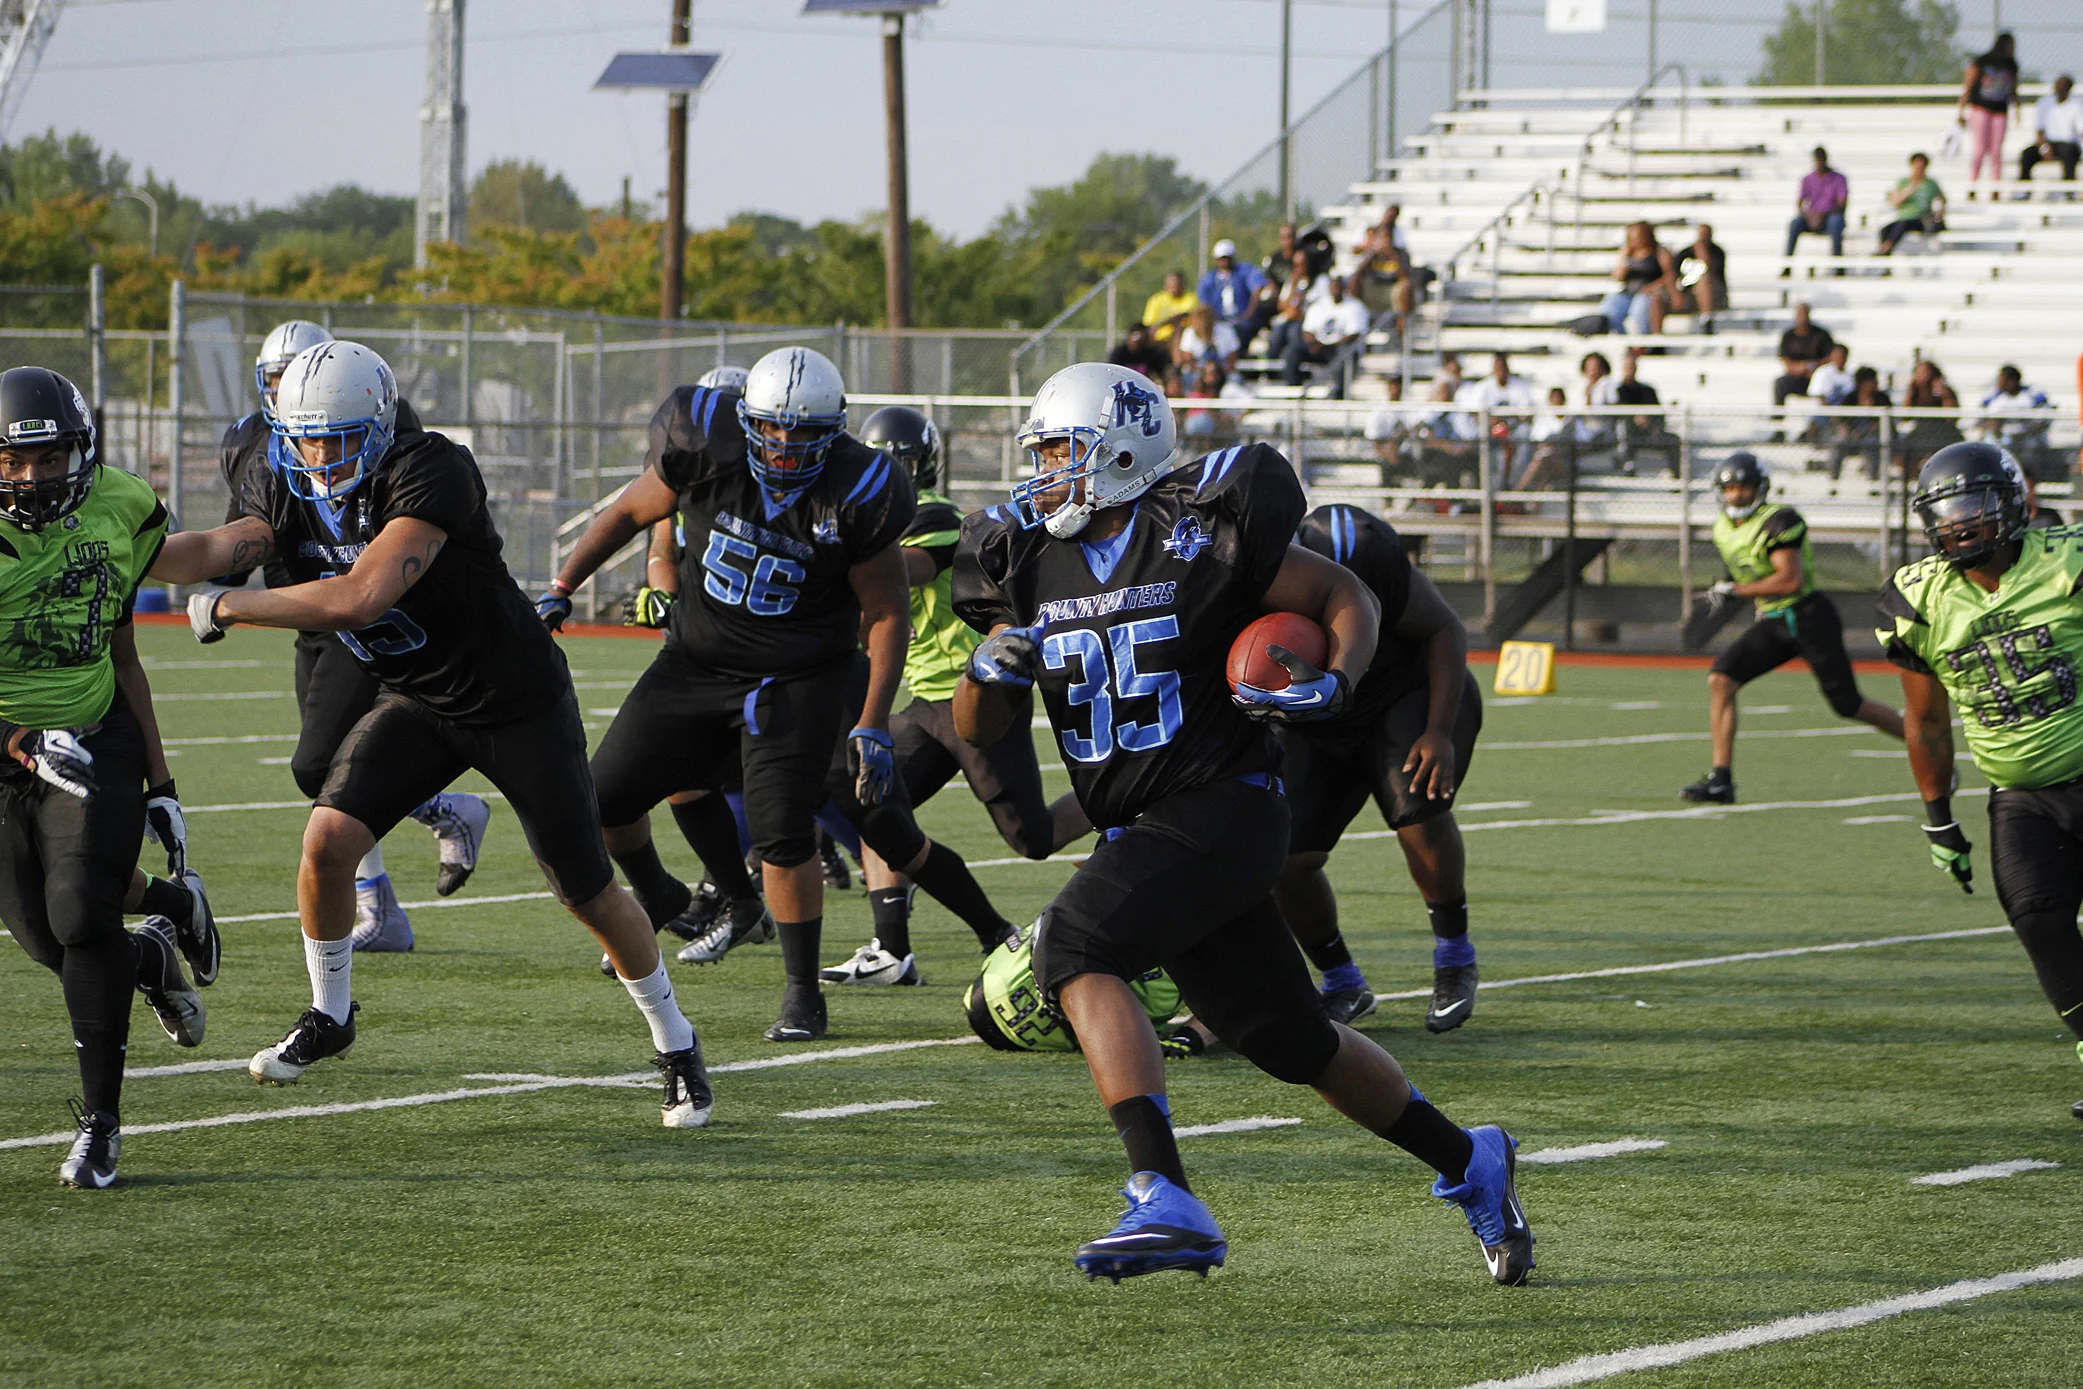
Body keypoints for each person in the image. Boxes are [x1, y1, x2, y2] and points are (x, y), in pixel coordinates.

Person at [953, 361, 1535, 1284]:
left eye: (1064, 450)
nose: (1046, 471)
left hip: (1227, 802)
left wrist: (1334, 681)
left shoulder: (1195, 535)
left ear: (1120, 451)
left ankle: (1163, 1191)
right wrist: (984, 677)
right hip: (1144, 824)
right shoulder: (1023, 560)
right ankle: (1472, 1161)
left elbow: (1349, 596)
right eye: (1043, 453)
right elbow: (974, 727)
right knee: (1288, 1038)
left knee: (1073, 945)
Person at [157, 342, 714, 1129]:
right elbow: (219, 548)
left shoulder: (429, 469)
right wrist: (128, 552)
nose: (322, 453)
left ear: (380, 427)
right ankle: (331, 1013)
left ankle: (677, 1043)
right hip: (417, 698)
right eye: (307, 436)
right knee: (325, 841)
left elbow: (360, 595)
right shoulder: (280, 474)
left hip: (515, 702)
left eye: (341, 435)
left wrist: (229, 607)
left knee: (583, 887)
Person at [544, 349, 1006, 1040]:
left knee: (784, 833)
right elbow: (625, 514)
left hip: (796, 678)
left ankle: (801, 993)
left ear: (835, 430)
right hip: (695, 662)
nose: (786, 445)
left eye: (804, 432)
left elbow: (885, 614)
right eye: (772, 429)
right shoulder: (706, 448)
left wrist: (872, 721)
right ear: (746, 422)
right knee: (601, 798)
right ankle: (670, 894)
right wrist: (560, 587)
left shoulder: (859, 486)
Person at [0, 365, 214, 1188]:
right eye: (14, 463)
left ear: (79, 456)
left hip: (92, 734)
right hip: (15, 749)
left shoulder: (117, 505)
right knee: (43, 937)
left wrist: (159, 781)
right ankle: (160, 932)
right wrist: (18, 739)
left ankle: (102, 1125)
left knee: (79, 912)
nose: (32, 477)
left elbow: (126, 646)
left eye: (49, 458)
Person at [217, 318, 491, 953]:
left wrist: (235, 604)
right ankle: (412, 861)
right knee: (321, 773)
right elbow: (241, 539)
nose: (291, 391)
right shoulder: (251, 441)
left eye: (299, 375)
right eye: (277, 379)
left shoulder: (390, 426)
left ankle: (392, 889)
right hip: (305, 612)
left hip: (368, 611)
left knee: (327, 765)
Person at [820, 405, 1089, 986]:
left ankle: (1122, 796)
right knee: (873, 803)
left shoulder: (934, 515)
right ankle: (892, 950)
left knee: (1032, 839)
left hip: (980, 697)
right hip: (922, 703)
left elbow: (908, 570)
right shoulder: (872, 523)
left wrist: (828, 550)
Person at [1875, 441, 2083, 1124]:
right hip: (2020, 795)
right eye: (1945, 513)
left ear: (2011, 502)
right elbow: (1926, 720)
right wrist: (1937, 815)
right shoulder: (1919, 600)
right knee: (2038, 919)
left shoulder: (2067, 563)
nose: (1960, 524)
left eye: (1973, 506)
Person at [1279, 504, 1485, 1032]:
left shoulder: (1385, 569)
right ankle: (1342, 981)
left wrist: (1439, 731)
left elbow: (1445, 631)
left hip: (1403, 697)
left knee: (1418, 812)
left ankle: (1454, 958)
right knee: (1286, 859)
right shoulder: (1270, 578)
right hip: (1319, 716)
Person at [1680, 453, 1903, 805]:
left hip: (1808, 617)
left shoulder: (1779, 521)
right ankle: (1721, 779)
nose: (1737, 495)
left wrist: (1735, 591)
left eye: (1745, 488)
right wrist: (1737, 591)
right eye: (1731, 488)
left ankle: (1924, 744)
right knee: (1721, 679)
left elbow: (1789, 580)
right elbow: (1754, 576)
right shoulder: (1723, 526)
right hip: (1773, 620)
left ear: (1761, 489)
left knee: (1848, 704)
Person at [1957, 32, 2020, 193]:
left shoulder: (2011, 65)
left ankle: (1995, 188)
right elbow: (1969, 85)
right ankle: (1972, 186)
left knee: (1996, 151)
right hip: (1981, 108)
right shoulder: (1983, 62)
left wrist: (2017, 109)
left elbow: (2013, 89)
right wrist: (1961, 111)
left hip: (2000, 110)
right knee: (1980, 149)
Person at [1284, 275, 1369, 390]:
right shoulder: (1318, 305)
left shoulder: (1356, 307)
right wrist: (1315, 343)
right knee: (1293, 350)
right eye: (1333, 286)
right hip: (1319, 348)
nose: (1336, 289)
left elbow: (1354, 335)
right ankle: (1293, 388)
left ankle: (1339, 392)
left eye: (1338, 287)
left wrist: (1329, 346)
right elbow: (1307, 331)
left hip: (1338, 350)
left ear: (1344, 288)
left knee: (1344, 351)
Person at [1598, 221, 1672, 335]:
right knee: (1609, 308)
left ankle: (1645, 343)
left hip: (1648, 292)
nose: (1635, 240)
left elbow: (1670, 275)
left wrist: (1652, 286)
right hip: (1628, 292)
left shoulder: (1659, 252)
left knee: (1639, 310)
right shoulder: (1627, 253)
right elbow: (1617, 277)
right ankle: (1625, 341)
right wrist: (1623, 265)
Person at [1193, 240, 1267, 353]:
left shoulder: (1243, 271)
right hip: (1219, 321)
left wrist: (1248, 314)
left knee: (1242, 330)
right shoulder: (1209, 279)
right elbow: (1204, 301)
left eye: (1227, 257)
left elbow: (1257, 288)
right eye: (1221, 258)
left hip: (1243, 320)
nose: (1224, 261)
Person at [1979, 364, 2053, 469]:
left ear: (2012, 381)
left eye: (2003, 379)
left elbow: (2046, 419)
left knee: (2031, 448)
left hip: (2027, 438)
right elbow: (1980, 421)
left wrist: (2026, 430)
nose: (1999, 382)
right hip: (2002, 439)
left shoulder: (2033, 395)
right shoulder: (1992, 397)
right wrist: (1994, 425)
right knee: (1991, 441)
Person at [1826, 366, 1891, 483]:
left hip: (1873, 437)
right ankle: (1832, 480)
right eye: (1872, 380)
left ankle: (1873, 482)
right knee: (1838, 442)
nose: (1876, 383)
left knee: (1871, 443)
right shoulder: (1850, 398)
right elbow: (1840, 419)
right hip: (1852, 436)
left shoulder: (1882, 399)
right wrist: (1846, 430)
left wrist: (1866, 430)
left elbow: (1885, 423)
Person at [1785, 147, 1848, 261]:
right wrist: (1808, 215)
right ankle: (1787, 263)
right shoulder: (1808, 179)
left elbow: (1842, 205)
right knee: (1795, 223)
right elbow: (1800, 202)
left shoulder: (1838, 179)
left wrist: (1822, 215)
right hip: (1811, 218)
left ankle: (1837, 262)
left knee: (1836, 222)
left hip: (1830, 217)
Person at [1877, 154, 1946, 256]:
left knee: (1903, 224)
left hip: (1921, 219)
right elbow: (1895, 202)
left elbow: (1942, 199)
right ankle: (1886, 260)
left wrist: (1939, 213)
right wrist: (1908, 191)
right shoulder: (1904, 182)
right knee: (1885, 230)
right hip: (1904, 217)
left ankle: (1886, 248)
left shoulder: (1930, 184)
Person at [2021, 75, 2081, 188]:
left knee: (2069, 153)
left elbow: (2080, 129)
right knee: (2027, 154)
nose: (2060, 89)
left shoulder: (2076, 105)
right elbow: (2040, 129)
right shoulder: (2045, 103)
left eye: (2064, 86)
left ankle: (2068, 189)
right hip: (2048, 143)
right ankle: (2024, 189)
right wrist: (2044, 148)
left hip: (2068, 144)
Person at [1772, 302, 1836, 406]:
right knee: (1781, 383)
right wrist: (1801, 368)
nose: (1802, 317)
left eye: (1804, 313)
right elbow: (1786, 361)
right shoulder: (1788, 336)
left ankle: (1828, 418)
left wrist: (1813, 367)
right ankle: (1778, 418)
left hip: (1818, 374)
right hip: (1797, 376)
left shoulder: (1821, 335)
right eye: (1799, 314)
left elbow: (1831, 357)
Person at [1262, 250, 1318, 365]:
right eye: (1295, 265)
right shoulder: (1291, 281)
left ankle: (1295, 363)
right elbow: (1281, 306)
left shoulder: (1317, 282)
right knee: (1278, 331)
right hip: (1289, 319)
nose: (1299, 268)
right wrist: (1293, 285)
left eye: (1302, 264)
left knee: (1293, 332)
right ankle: (1270, 365)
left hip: (1306, 320)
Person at [1669, 223, 1726, 330]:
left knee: (1705, 280)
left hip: (1713, 294)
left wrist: (1702, 254)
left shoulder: (1717, 252)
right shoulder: (1685, 253)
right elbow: (1672, 274)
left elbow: (1710, 268)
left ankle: (1707, 318)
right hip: (1688, 294)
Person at [1173, 301, 1240, 380]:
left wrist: (1217, 373)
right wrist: (1206, 372)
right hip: (1198, 372)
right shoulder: (1189, 333)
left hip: (1222, 371)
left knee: (1235, 379)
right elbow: (1188, 361)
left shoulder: (1227, 330)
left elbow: (1232, 359)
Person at [1139, 271, 1197, 346]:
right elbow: (1149, 323)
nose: (1173, 288)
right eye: (1171, 285)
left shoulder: (1191, 298)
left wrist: (1161, 324)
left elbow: (1183, 316)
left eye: (1176, 284)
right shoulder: (1156, 300)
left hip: (1180, 340)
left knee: (1178, 329)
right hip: (1158, 340)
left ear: (1183, 285)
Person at [1107, 322, 1172, 383]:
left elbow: (1159, 374)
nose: (1137, 342)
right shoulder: (1119, 353)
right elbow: (1112, 373)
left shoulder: (1152, 354)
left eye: (1142, 339)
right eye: (1135, 338)